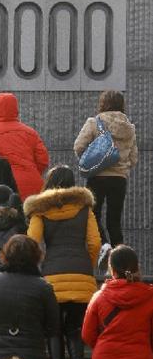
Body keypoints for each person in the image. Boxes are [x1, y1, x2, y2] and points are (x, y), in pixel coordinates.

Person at [24, 165, 101, 359]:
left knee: (54, 331)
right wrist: (85, 264)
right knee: (75, 329)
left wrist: (39, 269)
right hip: (82, 275)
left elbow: (32, 242)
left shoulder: (41, 210)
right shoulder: (84, 208)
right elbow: (95, 242)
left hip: (52, 279)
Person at [73, 90, 137, 269]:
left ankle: (104, 245)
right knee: (114, 220)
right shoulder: (129, 127)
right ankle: (121, 264)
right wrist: (122, 165)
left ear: (102, 104)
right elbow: (134, 158)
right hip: (119, 179)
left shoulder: (94, 122)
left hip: (97, 177)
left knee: (93, 214)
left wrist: (91, 160)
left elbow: (78, 146)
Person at [0, 92, 49, 201]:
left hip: (4, 189)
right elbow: (43, 160)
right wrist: (30, 172)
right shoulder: (30, 132)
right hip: (33, 185)